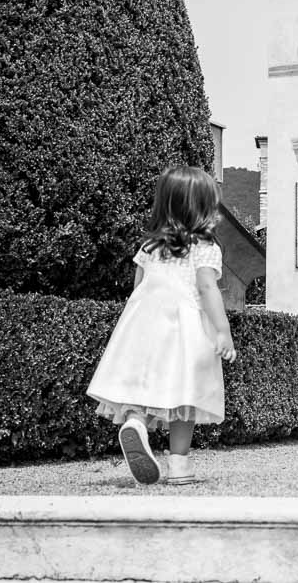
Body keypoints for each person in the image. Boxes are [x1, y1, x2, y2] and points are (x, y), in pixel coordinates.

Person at [87, 166, 237, 485]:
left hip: (143, 324)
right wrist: (222, 331)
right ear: (203, 208)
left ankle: (136, 422)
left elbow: (138, 289)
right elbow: (208, 289)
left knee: (142, 383)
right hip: (184, 327)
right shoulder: (205, 248)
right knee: (185, 395)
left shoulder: (149, 247)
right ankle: (179, 465)